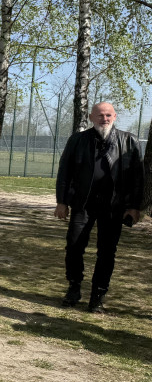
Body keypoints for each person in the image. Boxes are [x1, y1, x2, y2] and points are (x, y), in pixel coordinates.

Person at [54, 102, 144, 313]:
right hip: (82, 204)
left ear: (115, 116)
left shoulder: (129, 141)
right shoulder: (78, 140)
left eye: (109, 115)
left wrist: (134, 206)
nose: (105, 119)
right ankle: (74, 288)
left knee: (107, 252)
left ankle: (98, 296)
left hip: (114, 207)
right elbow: (64, 171)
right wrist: (62, 201)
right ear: (91, 117)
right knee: (74, 246)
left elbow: (137, 178)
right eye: (101, 115)